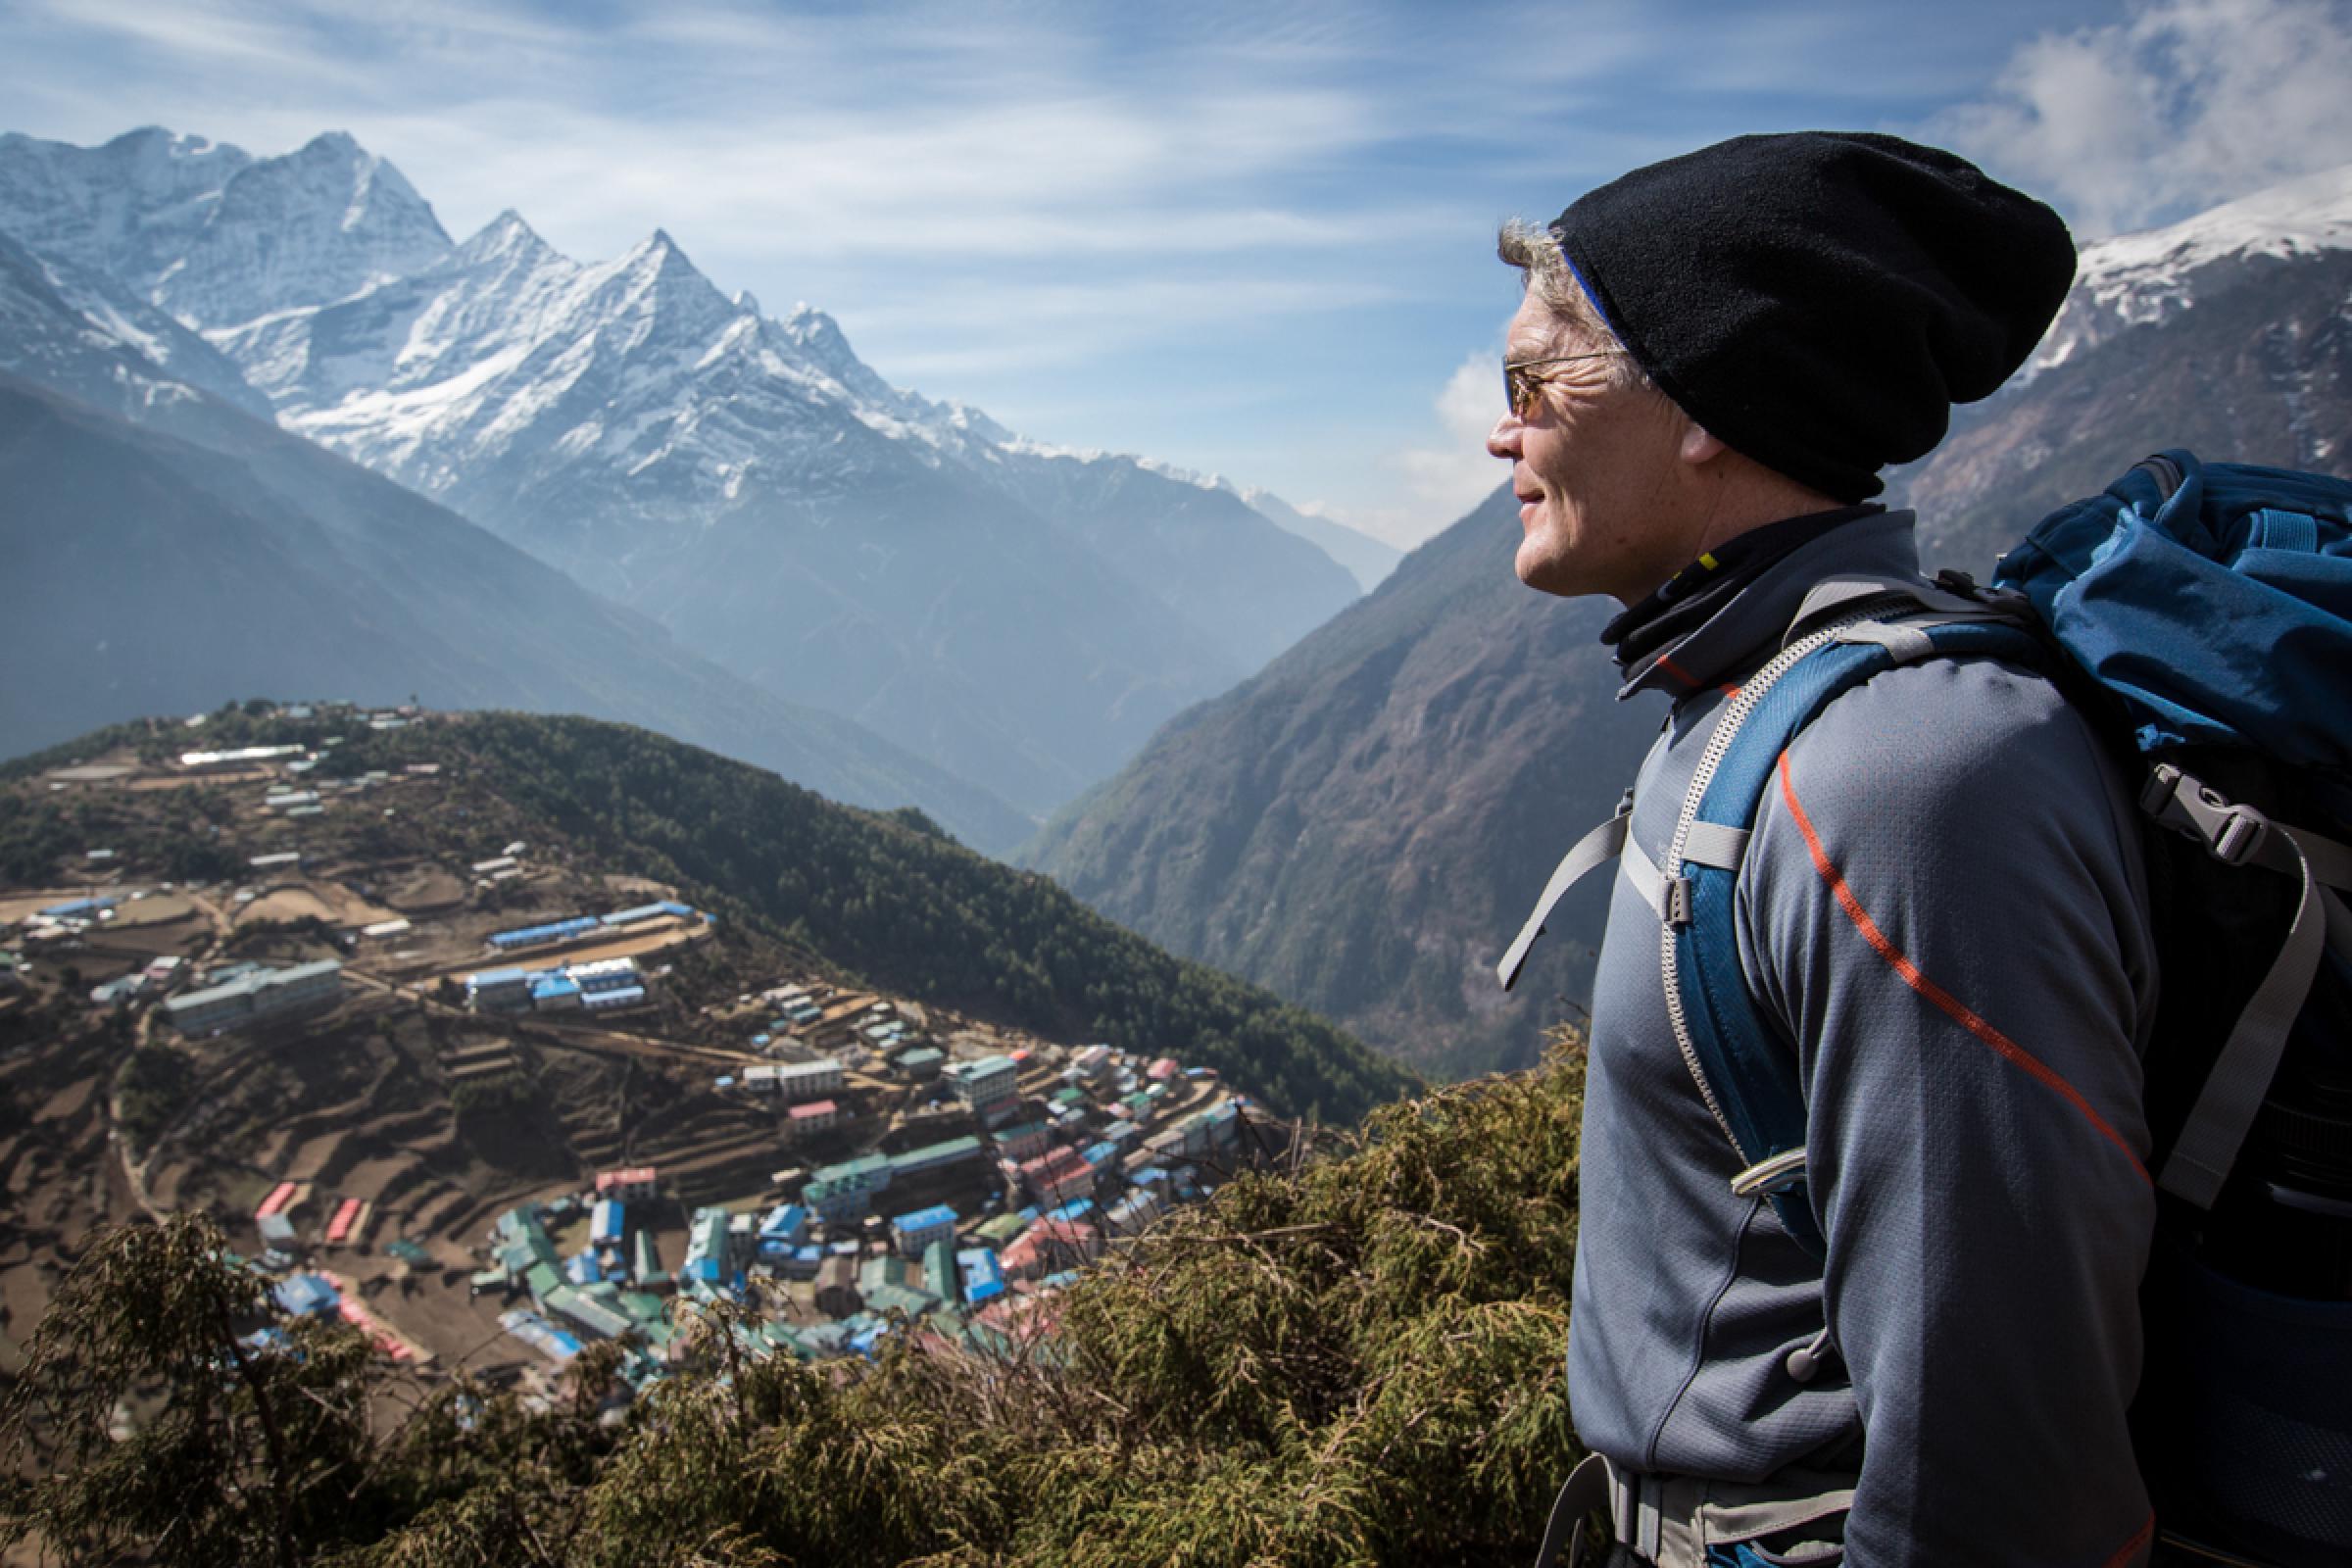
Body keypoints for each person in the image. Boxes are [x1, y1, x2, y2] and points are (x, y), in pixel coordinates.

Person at [1490, 133, 2159, 1567]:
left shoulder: (1897, 783)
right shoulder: (1757, 693)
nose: (1504, 434)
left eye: (1532, 381)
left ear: (1706, 407)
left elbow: (2005, 1477)